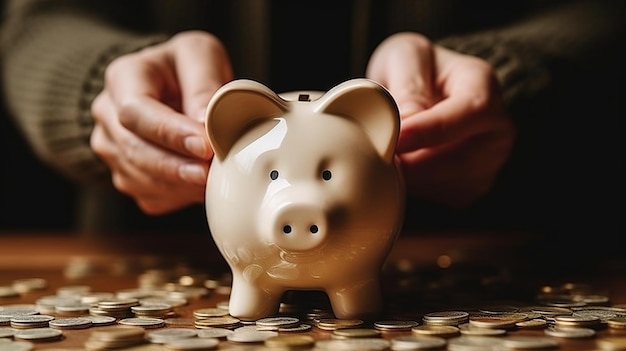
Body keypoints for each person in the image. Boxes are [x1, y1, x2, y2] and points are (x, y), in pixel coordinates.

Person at [0, 0, 623, 238]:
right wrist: (96, 89)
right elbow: (32, 20)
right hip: (147, 245)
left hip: (515, 243)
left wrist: (515, 80)